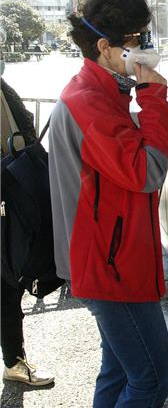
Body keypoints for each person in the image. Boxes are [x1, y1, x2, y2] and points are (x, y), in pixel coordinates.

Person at [48, 0, 168, 407]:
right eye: (138, 40)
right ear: (105, 46)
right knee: (153, 376)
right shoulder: (90, 102)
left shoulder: (101, 91)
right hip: (109, 264)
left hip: (109, 254)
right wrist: (154, 97)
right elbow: (146, 172)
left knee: (120, 369)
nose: (147, 48)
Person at [0, 74, 56, 387]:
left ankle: (13, 360)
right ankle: (12, 360)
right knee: (7, 283)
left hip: (11, 195)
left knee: (8, 282)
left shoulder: (3, 86)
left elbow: (25, 135)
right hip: (7, 196)